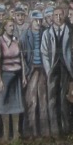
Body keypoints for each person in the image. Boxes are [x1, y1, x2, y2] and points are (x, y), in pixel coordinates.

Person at [20, 7, 52, 137]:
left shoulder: (45, 33)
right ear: (31, 21)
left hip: (43, 69)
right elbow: (22, 57)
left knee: (43, 100)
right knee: (31, 101)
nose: (38, 23)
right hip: (31, 69)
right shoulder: (24, 35)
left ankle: (45, 132)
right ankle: (30, 132)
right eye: (35, 21)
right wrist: (24, 74)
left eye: (40, 21)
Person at [0, 9, 25, 140]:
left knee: (16, 106)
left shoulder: (17, 41)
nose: (12, 28)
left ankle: (16, 133)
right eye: (10, 26)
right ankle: (6, 134)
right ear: (5, 27)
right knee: (5, 105)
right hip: (6, 76)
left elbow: (22, 59)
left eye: (13, 26)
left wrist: (23, 76)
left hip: (16, 75)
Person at [41, 4, 72, 135]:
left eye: (60, 15)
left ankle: (65, 128)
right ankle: (54, 130)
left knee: (64, 99)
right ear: (52, 18)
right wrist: (48, 70)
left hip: (65, 68)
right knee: (52, 99)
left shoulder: (69, 31)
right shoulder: (47, 33)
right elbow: (44, 52)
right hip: (53, 69)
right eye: (56, 16)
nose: (58, 18)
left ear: (64, 16)